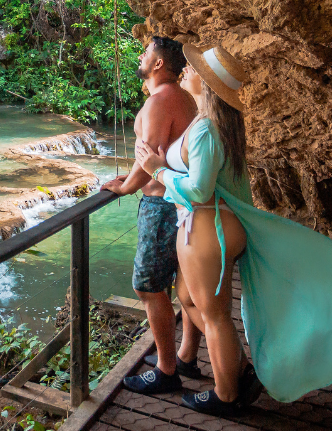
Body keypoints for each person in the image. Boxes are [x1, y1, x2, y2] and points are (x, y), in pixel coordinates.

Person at [134, 43, 332, 417]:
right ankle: (237, 369)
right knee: (186, 297)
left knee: (215, 318)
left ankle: (227, 393)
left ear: (208, 86)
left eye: (195, 69)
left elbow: (199, 188)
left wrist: (157, 169)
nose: (187, 70)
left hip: (206, 225)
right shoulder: (215, 126)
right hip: (214, 224)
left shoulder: (205, 132)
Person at [100, 36, 201, 394]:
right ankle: (187, 356)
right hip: (183, 205)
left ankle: (167, 369)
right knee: (184, 286)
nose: (141, 56)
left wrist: (127, 187)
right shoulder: (183, 97)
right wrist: (129, 178)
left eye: (146, 52)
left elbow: (151, 158)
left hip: (161, 206)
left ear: (159, 63)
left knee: (147, 285)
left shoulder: (160, 101)